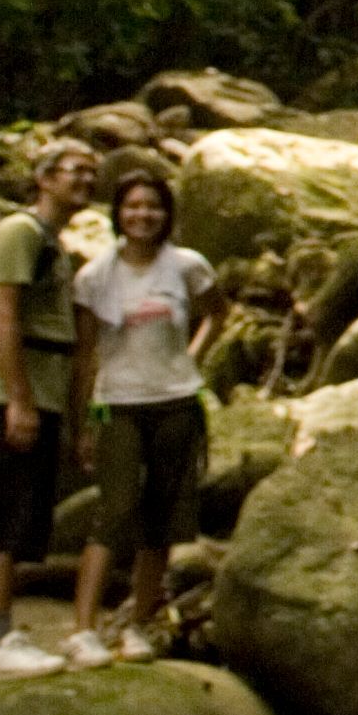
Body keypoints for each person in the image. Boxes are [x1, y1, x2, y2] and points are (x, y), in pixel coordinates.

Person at [0, 136, 101, 683]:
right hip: (7, 390)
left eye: (92, 172)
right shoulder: (20, 232)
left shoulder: (50, 243)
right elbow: (2, 313)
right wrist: (19, 398)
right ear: (44, 177)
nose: (86, 180)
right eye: (74, 170)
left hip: (34, 388)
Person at [64, 165, 221, 666]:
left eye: (152, 206)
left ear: (166, 214)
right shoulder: (95, 275)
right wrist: (84, 422)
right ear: (118, 213)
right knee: (114, 514)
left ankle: (138, 626)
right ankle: (83, 631)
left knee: (161, 519)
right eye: (132, 206)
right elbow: (85, 354)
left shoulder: (187, 265)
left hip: (176, 403)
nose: (143, 215)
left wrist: (193, 358)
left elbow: (217, 312)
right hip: (119, 405)